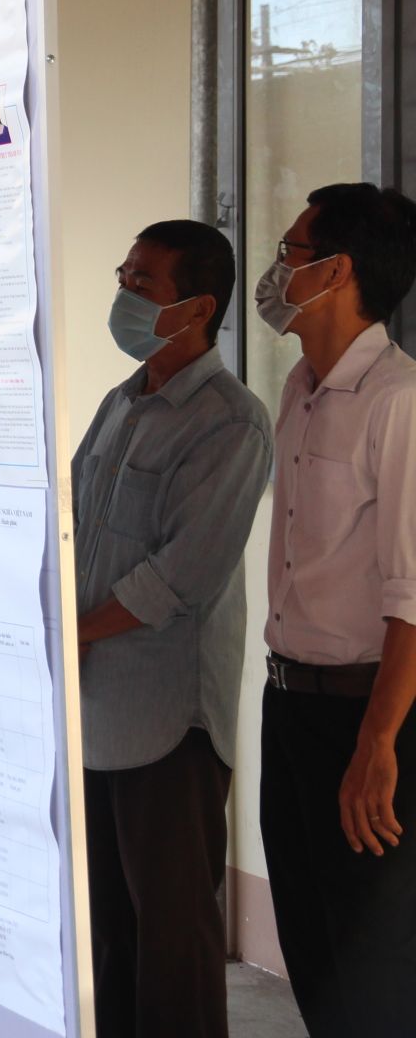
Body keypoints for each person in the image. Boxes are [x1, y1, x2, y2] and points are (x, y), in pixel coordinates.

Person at [72, 220, 272, 1038]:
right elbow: (78, 528)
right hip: (96, 713)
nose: (122, 293)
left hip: (169, 725)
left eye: (141, 282)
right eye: (123, 276)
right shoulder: (122, 404)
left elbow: (181, 576)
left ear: (196, 309)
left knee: (174, 943)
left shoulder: (231, 422)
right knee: (111, 935)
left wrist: (76, 631)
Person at [256, 183, 416, 1037]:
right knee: (311, 952)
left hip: (367, 718)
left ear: (336, 271)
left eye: (290, 252)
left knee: (373, 969)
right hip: (289, 706)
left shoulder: (399, 400)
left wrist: (378, 743)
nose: (276, 270)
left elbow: (412, 601)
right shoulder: (300, 387)